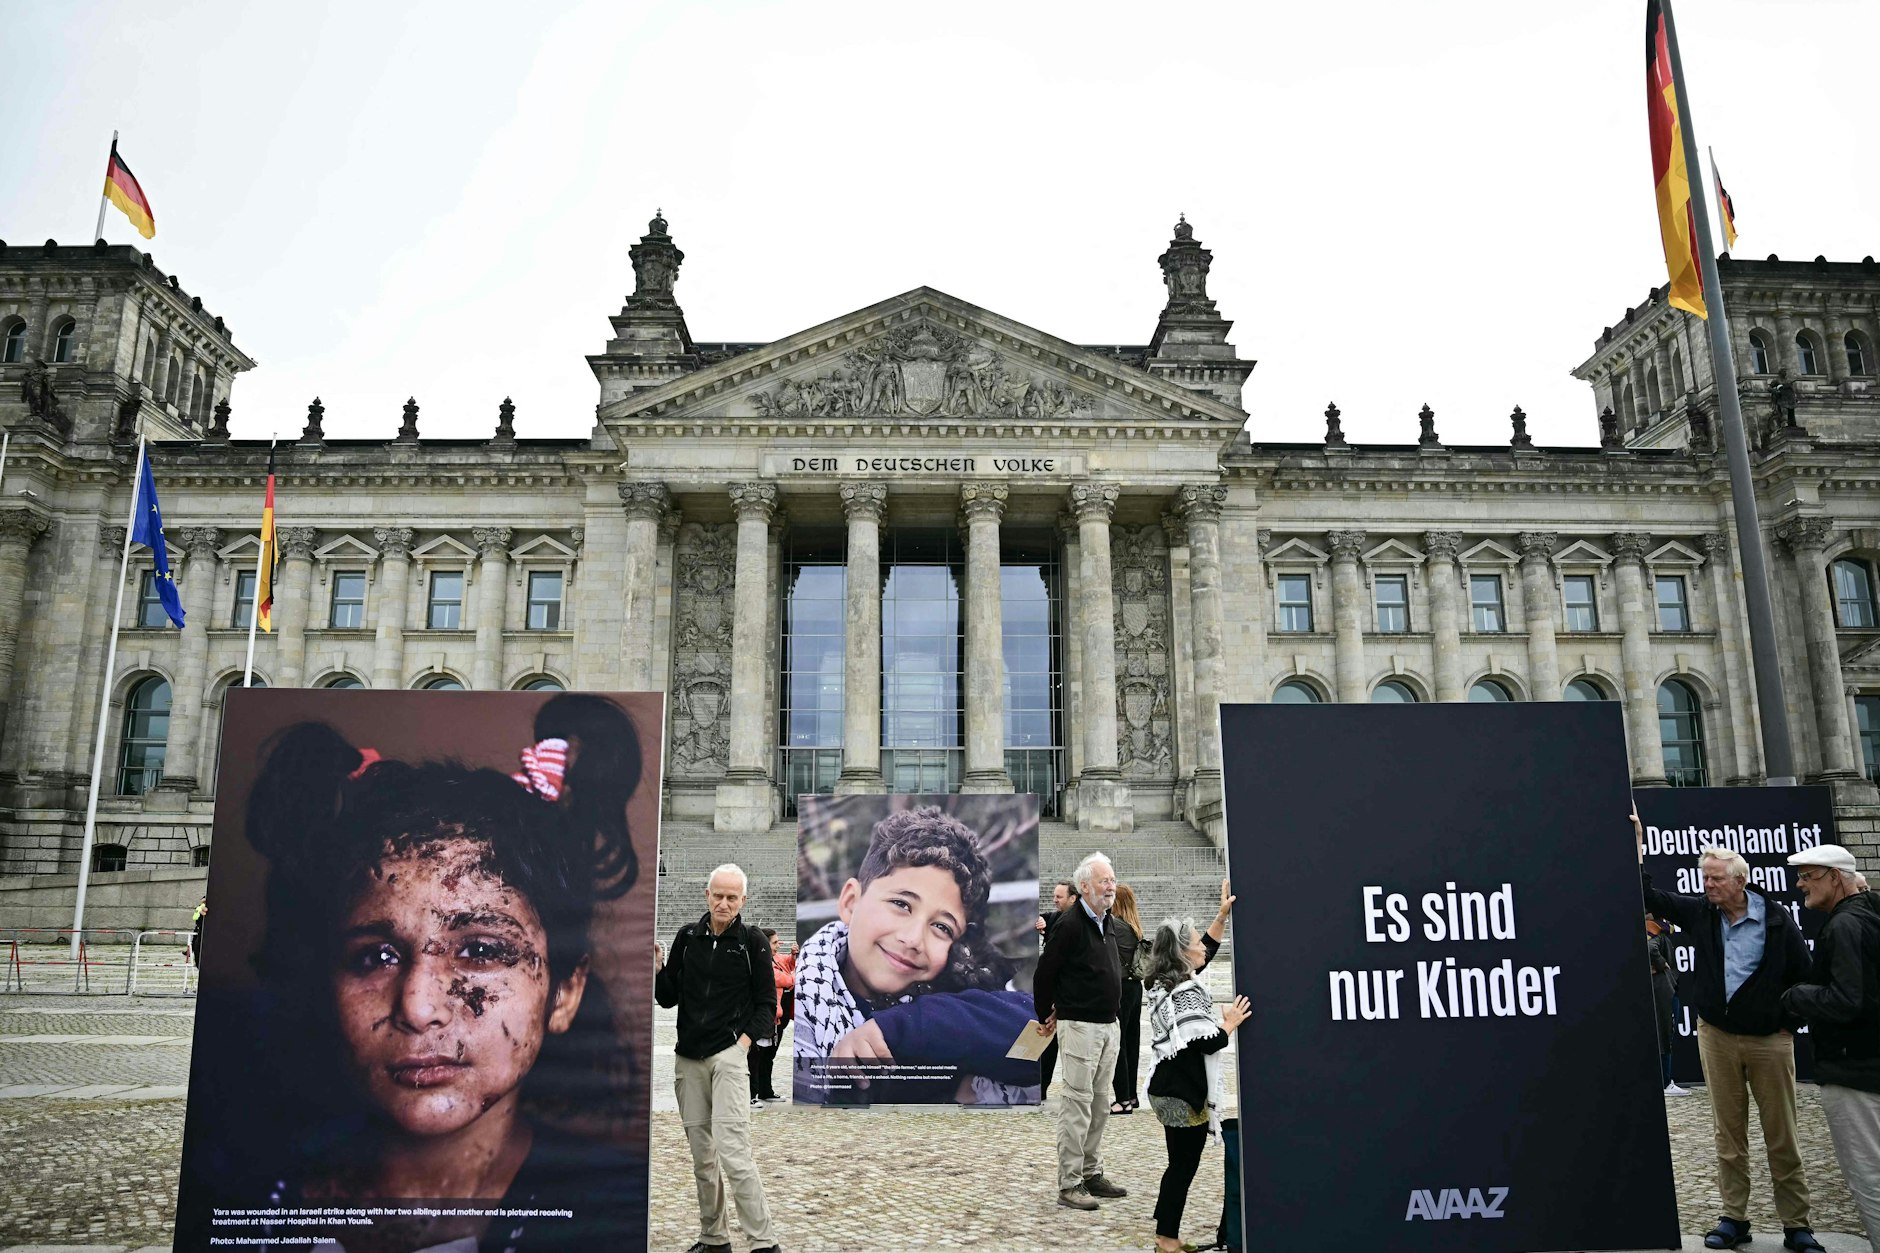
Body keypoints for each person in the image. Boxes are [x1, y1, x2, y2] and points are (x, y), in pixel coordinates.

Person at [222, 693, 648, 1251]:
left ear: (564, 992)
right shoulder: (239, 1185)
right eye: (375, 957)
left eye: (480, 951)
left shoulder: (616, 1213)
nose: (418, 1008)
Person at [1634, 808, 1820, 1253]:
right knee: (1728, 1134)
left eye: (1716, 879)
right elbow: (1650, 898)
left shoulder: (1776, 921)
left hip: (1769, 1042)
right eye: (1705, 878)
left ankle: (1797, 1225)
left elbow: (1805, 976)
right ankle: (1734, 1218)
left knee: (1782, 1134)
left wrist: (1784, 1023)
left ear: (1740, 881)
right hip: (1716, 1036)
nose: (1707, 885)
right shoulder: (1703, 914)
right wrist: (1638, 846)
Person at [793, 806, 1040, 1105]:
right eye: (901, 904)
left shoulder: (960, 992)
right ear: (850, 902)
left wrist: (905, 1026)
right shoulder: (796, 993)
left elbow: (1039, 1034)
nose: (912, 939)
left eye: (941, 927)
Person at [655, 864, 780, 1253]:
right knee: (702, 1159)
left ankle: (763, 1244)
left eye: (732, 897)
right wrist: (658, 968)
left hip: (727, 1056)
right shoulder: (687, 937)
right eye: (718, 895)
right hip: (688, 1059)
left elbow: (766, 1004)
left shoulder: (753, 942)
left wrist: (740, 1046)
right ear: (707, 895)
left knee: (735, 1152)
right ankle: (714, 1239)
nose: (724, 903)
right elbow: (667, 997)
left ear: (743, 900)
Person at [1781, 844, 1880, 1253]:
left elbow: (1847, 1000)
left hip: (1853, 1068)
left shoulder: (1843, 927)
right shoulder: (1870, 912)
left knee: (1870, 1178)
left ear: (1835, 878)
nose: (1800, 884)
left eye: (1808, 875)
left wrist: (1797, 996)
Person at [1143, 914, 1249, 1253]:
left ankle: (1165, 1235)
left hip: (1167, 1088)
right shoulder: (1186, 992)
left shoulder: (1166, 983)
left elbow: (1210, 949)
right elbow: (1208, 1042)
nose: (1203, 946)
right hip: (1181, 1095)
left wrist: (1222, 916)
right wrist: (1229, 1023)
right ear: (1183, 953)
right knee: (1182, 1167)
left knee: (1179, 1165)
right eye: (1196, 943)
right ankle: (1166, 1240)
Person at [1035, 851, 1128, 1210]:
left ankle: (1092, 1172)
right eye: (1104, 881)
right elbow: (1044, 974)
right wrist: (1046, 1014)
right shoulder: (1070, 924)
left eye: (1113, 879)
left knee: (1101, 1104)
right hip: (1079, 1027)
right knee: (1077, 1105)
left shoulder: (1106, 920)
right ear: (1085, 886)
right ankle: (1070, 1182)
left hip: (1107, 1026)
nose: (1111, 886)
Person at [1036, 880, 1078, 1099]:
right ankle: (1042, 1087)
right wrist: (1042, 921)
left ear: (1073, 898)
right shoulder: (1056, 918)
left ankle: (1072, 1090)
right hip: (1055, 994)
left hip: (1070, 996)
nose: (1055, 899)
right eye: (1054, 896)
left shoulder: (1079, 923)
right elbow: (1046, 917)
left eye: (1059, 897)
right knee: (1050, 1044)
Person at [1110, 883, 1146, 1115]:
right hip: (1135, 987)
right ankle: (1131, 1095)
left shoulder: (1115, 925)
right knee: (1131, 1043)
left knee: (1117, 1044)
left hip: (1120, 988)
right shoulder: (1134, 927)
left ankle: (1122, 1098)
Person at [748, 929, 793, 1107]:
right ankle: (751, 1094)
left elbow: (787, 964)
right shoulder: (761, 962)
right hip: (763, 1017)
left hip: (776, 1018)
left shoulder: (775, 958)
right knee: (754, 1058)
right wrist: (793, 977)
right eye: (775, 942)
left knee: (768, 1057)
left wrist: (793, 956)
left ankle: (765, 1090)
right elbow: (783, 979)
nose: (778, 945)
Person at [1648, 912, 1690, 1096]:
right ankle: (1666, 1082)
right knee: (1665, 1035)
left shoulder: (1658, 930)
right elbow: (1651, 948)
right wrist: (1662, 964)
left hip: (1664, 990)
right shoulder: (1655, 931)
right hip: (1664, 992)